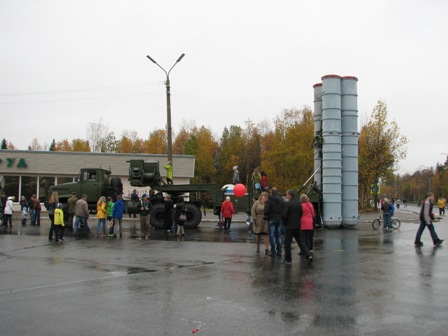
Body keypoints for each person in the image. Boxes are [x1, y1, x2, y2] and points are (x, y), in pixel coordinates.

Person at [282, 189, 312, 264]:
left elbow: (284, 215)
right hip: (297, 225)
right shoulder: (299, 203)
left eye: (287, 194)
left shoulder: (288, 204)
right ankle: (308, 254)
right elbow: (301, 213)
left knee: (287, 243)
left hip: (289, 225)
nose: (286, 196)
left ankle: (288, 259)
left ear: (289, 195)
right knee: (300, 241)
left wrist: (285, 223)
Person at [263, 187, 284, 257]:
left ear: (271, 192)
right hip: (279, 218)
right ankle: (279, 251)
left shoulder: (269, 200)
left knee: (272, 236)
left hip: (272, 218)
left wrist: (266, 216)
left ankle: (273, 252)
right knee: (278, 235)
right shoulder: (281, 200)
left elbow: (266, 210)